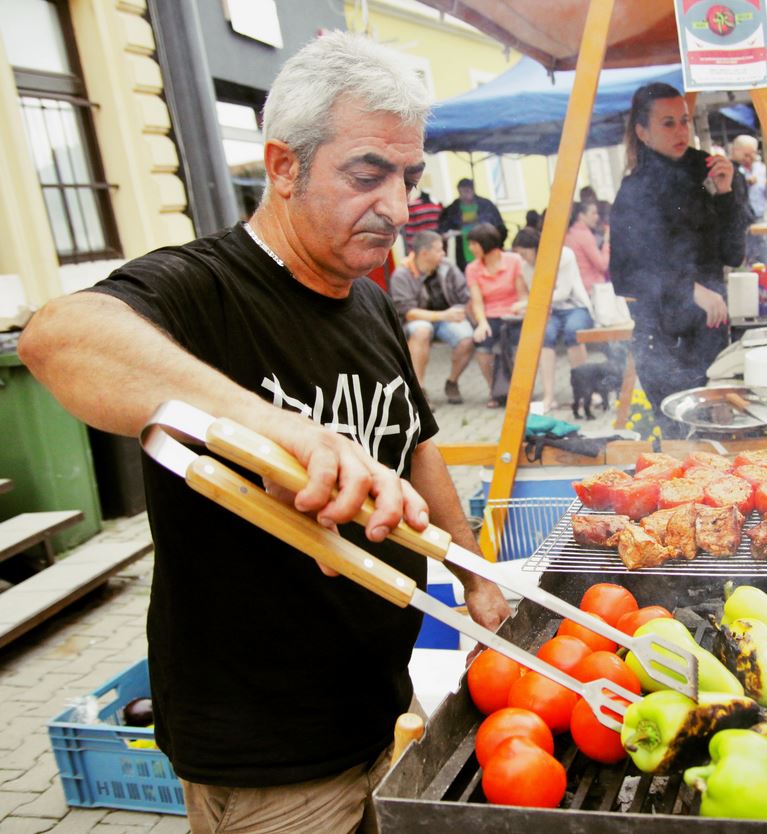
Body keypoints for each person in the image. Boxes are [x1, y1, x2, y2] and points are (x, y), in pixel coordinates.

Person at [15, 32, 509, 833]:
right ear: (283, 166)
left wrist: (472, 569)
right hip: (266, 760)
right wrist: (273, 427)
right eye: (366, 174)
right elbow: (56, 338)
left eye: (408, 177)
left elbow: (415, 444)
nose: (394, 206)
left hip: (380, 707)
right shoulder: (203, 286)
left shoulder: (373, 303)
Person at [609, 82, 747, 437]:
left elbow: (733, 254)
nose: (681, 130)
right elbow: (625, 274)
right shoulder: (634, 190)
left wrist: (727, 193)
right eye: (668, 123)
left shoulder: (709, 171)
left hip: (711, 337)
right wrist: (689, 289)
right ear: (642, 131)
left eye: (684, 120)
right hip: (662, 340)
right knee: (682, 442)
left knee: (717, 441)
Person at [512, 227, 594, 413]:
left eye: (524, 253)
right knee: (544, 336)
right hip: (550, 311)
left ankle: (584, 391)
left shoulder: (564, 255)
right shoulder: (526, 267)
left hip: (575, 306)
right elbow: (539, 294)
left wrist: (527, 303)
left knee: (573, 332)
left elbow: (563, 292)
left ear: (535, 248)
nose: (522, 258)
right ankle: (549, 396)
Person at [389, 229, 476, 403]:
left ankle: (452, 382)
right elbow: (408, 312)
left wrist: (464, 313)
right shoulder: (402, 274)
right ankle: (419, 390)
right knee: (422, 330)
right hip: (418, 320)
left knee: (467, 339)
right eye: (439, 250)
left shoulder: (447, 267)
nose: (443, 253)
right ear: (424, 253)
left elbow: (465, 296)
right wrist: (443, 315)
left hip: (447, 318)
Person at [465, 222, 528, 407]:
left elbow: (522, 293)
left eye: (474, 244)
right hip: (490, 315)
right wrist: (481, 323)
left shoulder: (514, 260)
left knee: (518, 346)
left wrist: (520, 308)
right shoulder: (473, 268)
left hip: (513, 313)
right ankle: (495, 390)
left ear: (486, 243)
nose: (471, 248)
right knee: (483, 347)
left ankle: (519, 391)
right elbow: (477, 302)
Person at [438, 177, 507, 270]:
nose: (464, 195)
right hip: (464, 252)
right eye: (461, 192)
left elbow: (499, 227)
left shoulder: (486, 205)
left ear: (473, 190)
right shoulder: (453, 208)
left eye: (467, 191)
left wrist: (498, 245)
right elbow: (443, 228)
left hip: (486, 249)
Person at [730, 134, 767, 265]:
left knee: (759, 253)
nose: (749, 159)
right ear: (735, 151)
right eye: (746, 155)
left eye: (752, 155)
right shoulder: (731, 171)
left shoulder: (745, 170)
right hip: (741, 222)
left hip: (751, 217)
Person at [565, 199, 611, 291]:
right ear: (581, 216)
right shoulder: (584, 235)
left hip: (579, 287)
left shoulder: (570, 234)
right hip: (594, 287)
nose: (597, 217)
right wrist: (606, 242)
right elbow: (602, 265)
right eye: (593, 213)